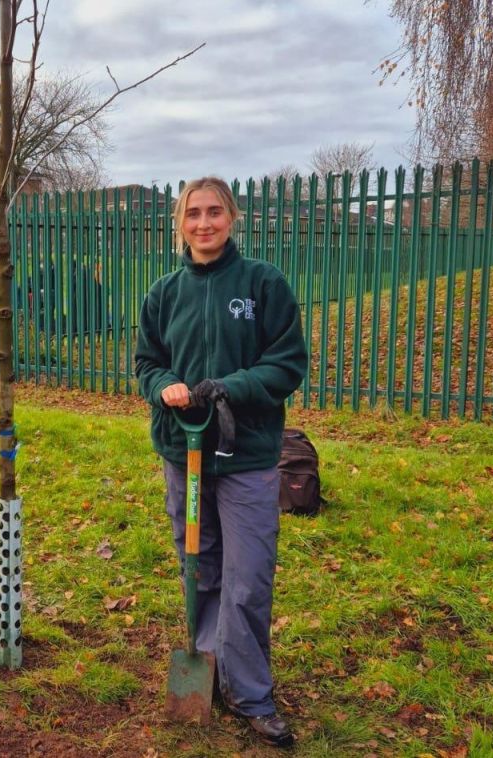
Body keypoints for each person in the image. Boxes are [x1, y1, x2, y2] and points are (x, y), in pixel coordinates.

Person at [135, 177, 307, 747]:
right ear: (179, 222)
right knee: (200, 566)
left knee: (248, 577)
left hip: (248, 455)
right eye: (193, 214)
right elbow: (147, 362)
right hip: (182, 453)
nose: (203, 223)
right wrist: (165, 386)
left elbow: (286, 364)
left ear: (232, 217)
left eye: (214, 213)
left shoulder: (263, 283)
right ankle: (206, 663)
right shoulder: (163, 292)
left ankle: (250, 691)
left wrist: (226, 387)